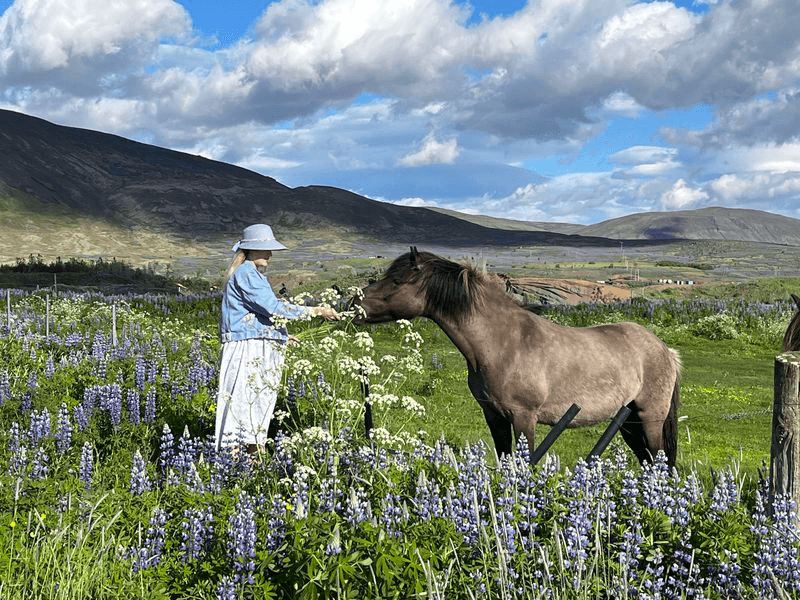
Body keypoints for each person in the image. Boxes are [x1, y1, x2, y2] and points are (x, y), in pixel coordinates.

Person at [215, 223, 340, 454]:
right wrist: (316, 311)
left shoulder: (252, 274)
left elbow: (257, 316)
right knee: (243, 403)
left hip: (254, 343)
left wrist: (280, 335)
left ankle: (253, 458)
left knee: (257, 402)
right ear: (251, 250)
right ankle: (234, 460)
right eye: (266, 249)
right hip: (246, 348)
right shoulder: (246, 273)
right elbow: (273, 309)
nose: (271, 255)